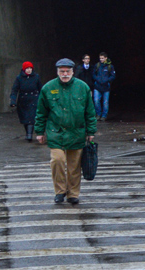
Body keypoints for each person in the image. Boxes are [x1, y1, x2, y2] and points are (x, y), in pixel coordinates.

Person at [34, 58, 97, 205]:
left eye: (67, 71)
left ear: (73, 72)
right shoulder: (48, 88)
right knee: (57, 160)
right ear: (57, 72)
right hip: (56, 132)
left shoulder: (82, 87)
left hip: (76, 133)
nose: (65, 74)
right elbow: (41, 112)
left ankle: (73, 194)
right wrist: (40, 132)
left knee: (74, 166)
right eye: (61, 71)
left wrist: (91, 131)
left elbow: (90, 112)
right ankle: (60, 191)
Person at [9, 61, 42, 141]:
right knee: (25, 118)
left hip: (34, 99)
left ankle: (29, 135)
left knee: (32, 117)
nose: (29, 70)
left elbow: (41, 89)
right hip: (23, 100)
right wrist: (13, 101)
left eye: (30, 68)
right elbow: (14, 90)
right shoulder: (19, 78)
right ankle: (28, 133)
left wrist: (42, 100)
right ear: (24, 69)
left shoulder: (36, 77)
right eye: (27, 68)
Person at [93, 52, 116, 121]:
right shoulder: (97, 65)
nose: (101, 60)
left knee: (105, 102)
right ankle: (98, 114)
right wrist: (97, 79)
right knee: (96, 100)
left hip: (106, 86)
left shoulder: (110, 66)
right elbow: (93, 74)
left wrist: (107, 80)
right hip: (97, 86)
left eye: (102, 58)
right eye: (100, 58)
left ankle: (104, 116)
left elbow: (113, 76)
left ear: (106, 58)